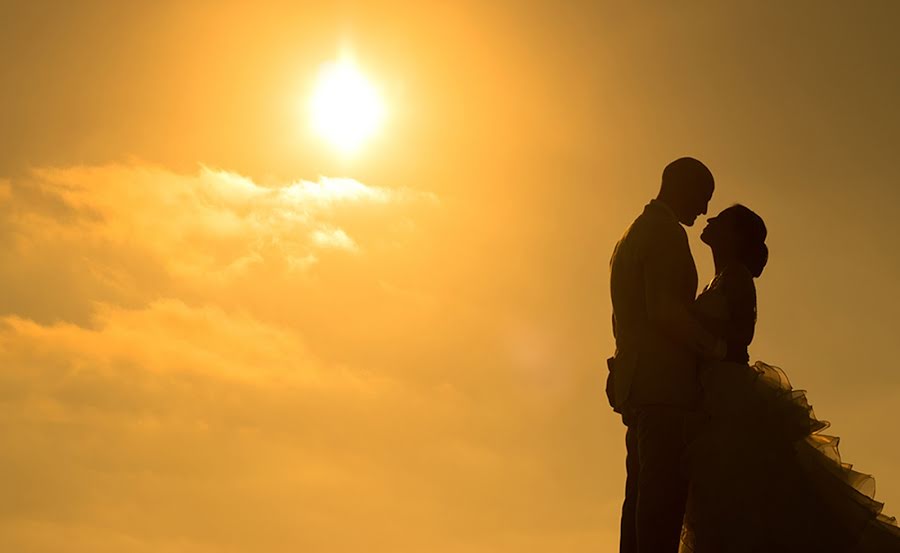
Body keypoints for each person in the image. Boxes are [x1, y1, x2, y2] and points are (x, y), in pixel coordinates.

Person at [681, 204, 900, 552]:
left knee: (741, 496)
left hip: (728, 397)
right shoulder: (720, 279)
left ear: (735, 236)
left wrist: (692, 335)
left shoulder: (736, 276)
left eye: (720, 218)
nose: (709, 220)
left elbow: (741, 337)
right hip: (712, 394)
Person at [608, 157, 727, 553]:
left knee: (639, 498)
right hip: (663, 388)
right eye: (703, 197)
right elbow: (662, 310)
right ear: (682, 187)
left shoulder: (631, 236)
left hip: (636, 384)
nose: (705, 210)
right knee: (661, 502)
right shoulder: (665, 233)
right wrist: (711, 348)